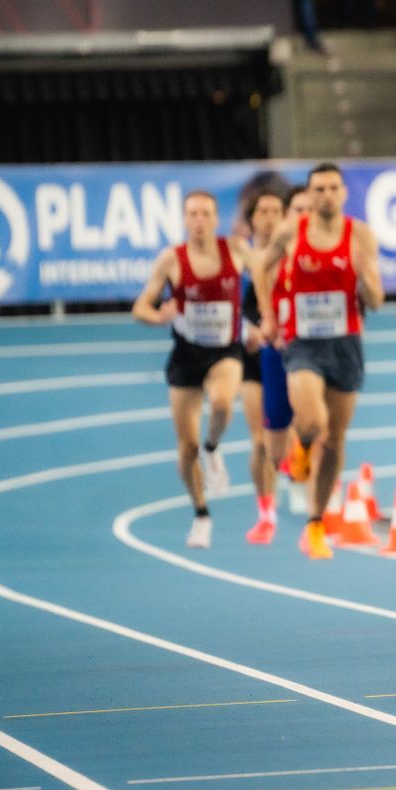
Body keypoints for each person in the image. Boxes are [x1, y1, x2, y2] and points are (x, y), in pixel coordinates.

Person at [253, 164, 384, 560]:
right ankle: (304, 445)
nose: (325, 195)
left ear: (343, 192)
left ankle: (315, 523)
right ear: (308, 195)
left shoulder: (359, 234)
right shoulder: (292, 231)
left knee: (337, 439)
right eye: (318, 189)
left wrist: (365, 278)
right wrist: (269, 316)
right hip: (302, 343)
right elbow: (260, 266)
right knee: (313, 422)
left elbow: (376, 301)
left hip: (345, 344)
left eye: (332, 188)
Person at [132, 191, 249, 549]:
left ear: (216, 219)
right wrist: (158, 316)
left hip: (225, 352)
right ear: (185, 220)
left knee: (223, 405)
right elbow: (140, 307)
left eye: (205, 214)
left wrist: (263, 321)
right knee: (186, 449)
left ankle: (214, 448)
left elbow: (267, 278)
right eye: (192, 214)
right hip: (186, 357)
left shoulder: (237, 250)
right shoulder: (171, 259)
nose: (199, 220)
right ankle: (201, 515)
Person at [236, 189, 295, 545]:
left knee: (299, 429)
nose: (270, 217)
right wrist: (251, 331)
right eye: (264, 211)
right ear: (252, 218)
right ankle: (266, 513)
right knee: (259, 436)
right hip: (254, 355)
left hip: (292, 349)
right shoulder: (241, 258)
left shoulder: (295, 253)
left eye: (277, 210)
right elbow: (232, 305)